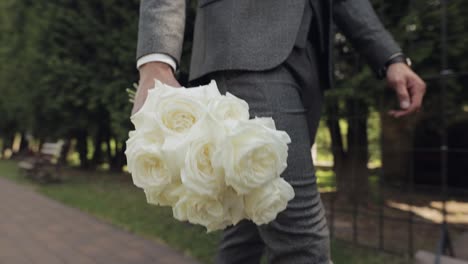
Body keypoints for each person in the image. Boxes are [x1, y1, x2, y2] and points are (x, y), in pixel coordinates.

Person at [132, 0, 426, 263]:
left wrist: (390, 57)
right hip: (243, 45)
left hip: (311, 62)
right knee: (301, 240)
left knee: (249, 228)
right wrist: (155, 61)